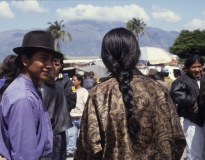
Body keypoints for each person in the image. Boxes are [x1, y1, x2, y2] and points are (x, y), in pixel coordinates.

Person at [74, 28, 186, 160]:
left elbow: (89, 146)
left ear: (106, 56)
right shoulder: (158, 90)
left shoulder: (99, 93)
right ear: (135, 53)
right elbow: (178, 139)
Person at [0, 30, 60, 160]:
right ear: (25, 60)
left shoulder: (30, 90)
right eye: (43, 58)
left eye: (51, 60)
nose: (50, 65)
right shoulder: (23, 97)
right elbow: (25, 154)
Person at [170, 54, 205, 160]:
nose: (197, 69)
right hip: (193, 120)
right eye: (194, 67)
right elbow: (175, 93)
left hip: (204, 117)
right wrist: (191, 103)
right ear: (188, 67)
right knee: (195, 153)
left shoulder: (204, 78)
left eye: (199, 66)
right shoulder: (182, 80)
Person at [39, 68, 73, 160]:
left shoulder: (38, 89)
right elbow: (70, 104)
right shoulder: (60, 88)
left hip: (46, 131)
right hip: (60, 130)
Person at [67, 74, 88, 157]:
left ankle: (85, 151)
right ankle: (70, 151)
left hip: (81, 117)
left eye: (74, 80)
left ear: (79, 81)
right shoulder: (71, 91)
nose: (72, 81)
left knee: (83, 136)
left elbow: (86, 104)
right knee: (71, 135)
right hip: (72, 116)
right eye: (72, 80)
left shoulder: (84, 91)